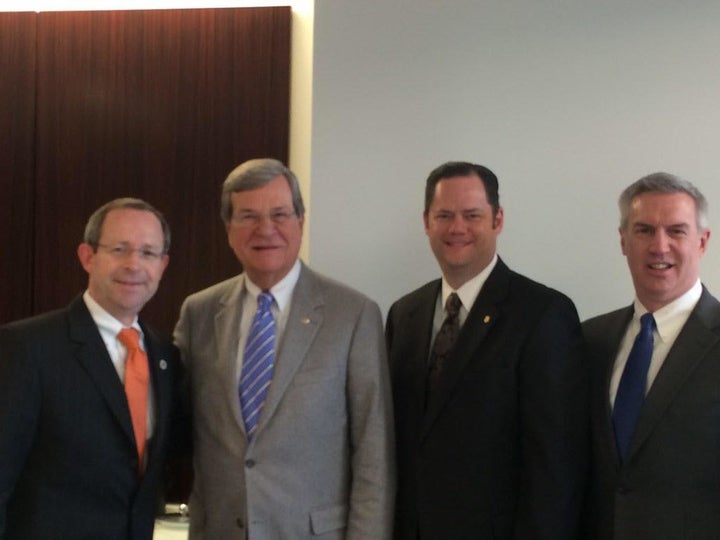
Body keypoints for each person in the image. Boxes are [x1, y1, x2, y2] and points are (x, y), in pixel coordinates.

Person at [174, 158, 395, 539]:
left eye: (279, 214)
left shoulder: (352, 314)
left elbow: (374, 453)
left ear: (301, 223)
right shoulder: (199, 313)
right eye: (248, 216)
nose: (266, 229)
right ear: (228, 229)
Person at [386, 161, 588, 539]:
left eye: (472, 215)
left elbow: (556, 467)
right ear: (426, 222)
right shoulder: (404, 315)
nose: (457, 227)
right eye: (444, 215)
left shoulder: (544, 314)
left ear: (498, 220)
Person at [0, 198, 179, 539]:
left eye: (148, 253)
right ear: (87, 257)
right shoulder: (27, 347)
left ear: (163, 265)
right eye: (119, 249)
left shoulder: (165, 356)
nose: (134, 264)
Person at [583, 172, 719, 539]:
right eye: (644, 230)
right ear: (623, 241)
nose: (660, 246)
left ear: (702, 242)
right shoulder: (588, 340)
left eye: (676, 231)